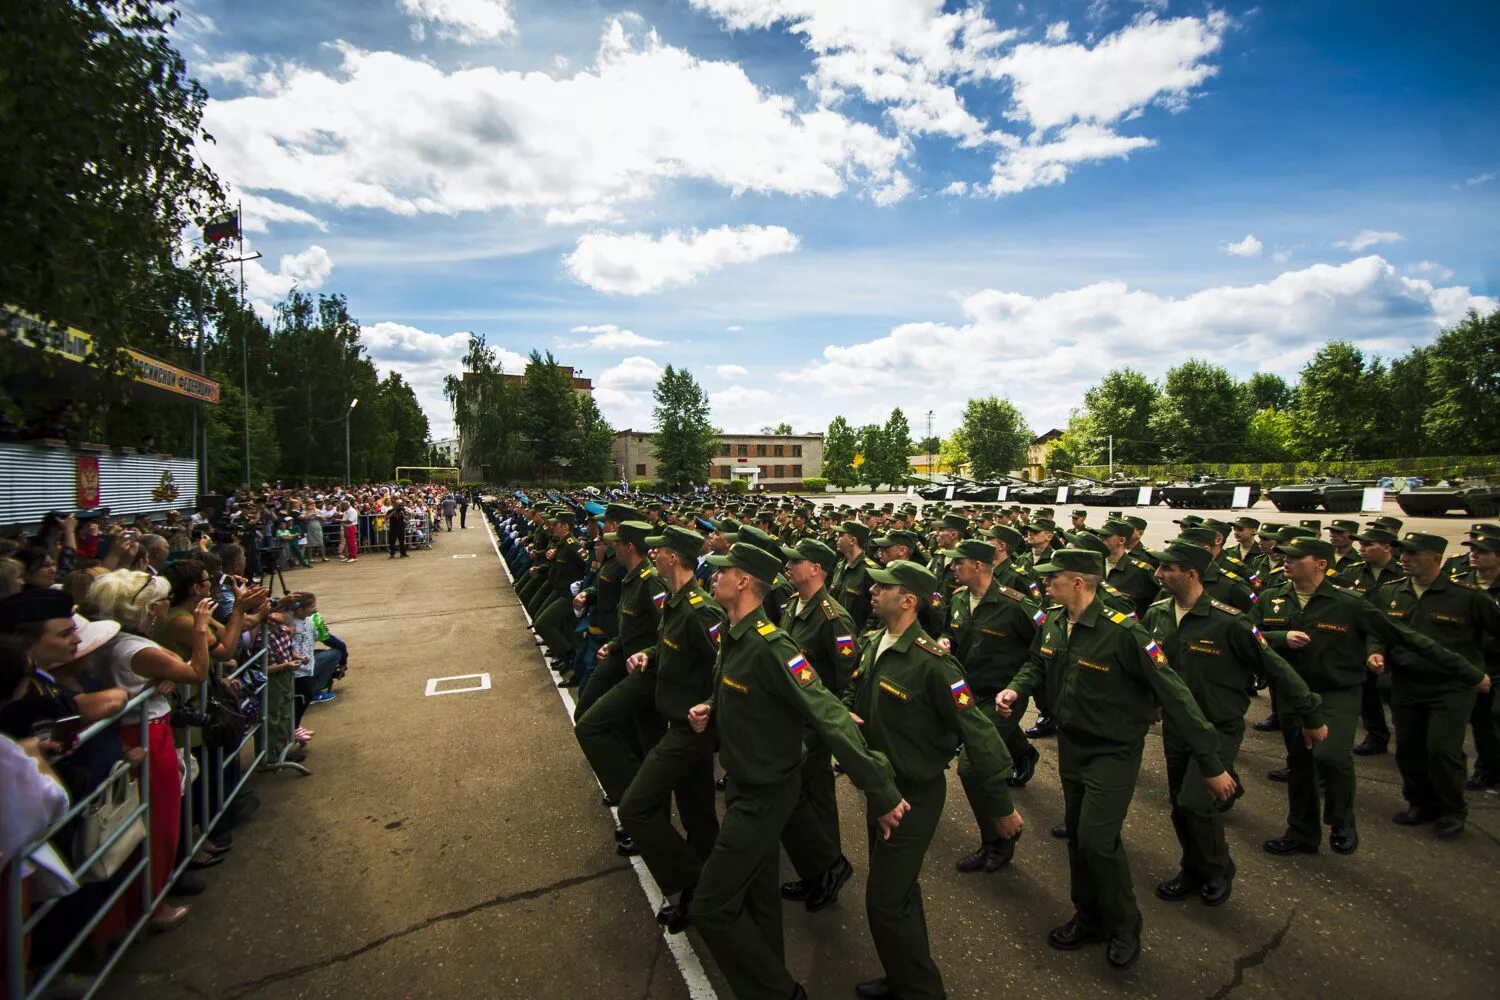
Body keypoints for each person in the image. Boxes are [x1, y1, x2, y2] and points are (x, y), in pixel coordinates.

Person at [687, 542, 908, 1000]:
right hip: (748, 780)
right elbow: (740, 695)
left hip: (766, 792)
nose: (714, 576)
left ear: (744, 582)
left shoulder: (772, 644)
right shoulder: (736, 633)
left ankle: (779, 992)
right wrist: (710, 706)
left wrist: (879, 789)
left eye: (723, 571)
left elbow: (827, 712)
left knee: (710, 908)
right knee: (761, 896)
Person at [997, 548, 1237, 971]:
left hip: (1114, 749)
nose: (1044, 584)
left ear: (1078, 582)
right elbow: (1036, 663)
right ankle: (1088, 918)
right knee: (1078, 834)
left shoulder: (1124, 632)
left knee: (1097, 838)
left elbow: (1174, 693)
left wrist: (1211, 762)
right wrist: (1017, 688)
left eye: (1053, 578)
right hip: (1073, 745)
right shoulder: (1053, 621)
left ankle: (1124, 926)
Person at [846, 559, 1022, 1000]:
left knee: (884, 902)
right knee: (898, 894)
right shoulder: (876, 643)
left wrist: (1000, 807)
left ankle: (922, 991)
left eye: (883, 586)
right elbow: (858, 694)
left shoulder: (935, 664)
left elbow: (978, 735)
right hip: (881, 788)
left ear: (908, 600)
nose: (872, 590)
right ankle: (904, 975)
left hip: (913, 794)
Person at [1254, 536, 1479, 858]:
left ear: (1320, 564)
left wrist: (1470, 673)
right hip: (1293, 694)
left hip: (1337, 692)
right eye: (1285, 556)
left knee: (1330, 756)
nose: (1286, 561)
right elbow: (1248, 634)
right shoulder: (1271, 598)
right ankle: (1301, 832)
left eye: (1295, 557)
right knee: (1301, 765)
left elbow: (1405, 637)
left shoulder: (1349, 604)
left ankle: (1341, 819)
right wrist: (1280, 637)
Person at [1143, 541, 1327, 907]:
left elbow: (1276, 667)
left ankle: (1217, 867)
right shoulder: (1158, 614)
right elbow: (1152, 668)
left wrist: (1311, 715)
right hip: (1178, 728)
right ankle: (1193, 869)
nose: (1158, 575)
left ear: (1192, 574)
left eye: (1167, 569)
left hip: (1218, 727)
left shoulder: (1229, 622)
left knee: (1195, 803)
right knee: (1181, 805)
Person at [89, 569, 216, 931]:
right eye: (157, 602)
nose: (162, 608)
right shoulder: (134, 647)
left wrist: (168, 671)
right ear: (145, 609)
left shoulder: (115, 642)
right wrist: (199, 630)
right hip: (147, 735)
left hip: (137, 731)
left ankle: (142, 902)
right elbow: (197, 672)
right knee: (157, 823)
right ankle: (152, 904)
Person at [617, 525, 727, 934]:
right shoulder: (676, 603)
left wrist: (711, 709)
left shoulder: (701, 610)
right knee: (699, 814)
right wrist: (648, 654)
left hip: (690, 730)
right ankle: (706, 895)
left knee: (634, 808)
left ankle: (692, 881)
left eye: (658, 550)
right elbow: (667, 645)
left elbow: (727, 665)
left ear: (674, 558)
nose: (653, 555)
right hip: (678, 723)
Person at [1370, 532, 1500, 838]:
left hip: (1451, 686)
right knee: (1409, 748)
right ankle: (1420, 803)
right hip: (1406, 683)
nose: (1404, 558)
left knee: (1443, 749)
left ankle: (1452, 809)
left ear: (1435, 558)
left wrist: (1482, 670)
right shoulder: (1391, 592)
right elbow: (1375, 630)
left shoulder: (1467, 597)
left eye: (1413, 553)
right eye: (1403, 553)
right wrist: (1374, 651)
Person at [942, 538, 1042, 874]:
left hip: (1002, 698)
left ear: (980, 566)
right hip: (968, 696)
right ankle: (1022, 752)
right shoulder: (957, 600)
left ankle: (999, 840)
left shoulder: (1016, 605)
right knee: (984, 757)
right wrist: (945, 641)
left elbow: (1043, 650)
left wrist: (1017, 687)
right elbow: (952, 636)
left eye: (959, 562)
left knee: (972, 767)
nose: (953, 568)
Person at [776, 538, 860, 912]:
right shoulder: (793, 606)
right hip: (793, 719)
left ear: (817, 570)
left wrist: (835, 724)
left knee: (815, 797)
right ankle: (818, 868)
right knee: (804, 798)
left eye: (798, 561)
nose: (790, 566)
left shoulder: (833, 617)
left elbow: (848, 679)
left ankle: (829, 869)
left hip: (816, 725)